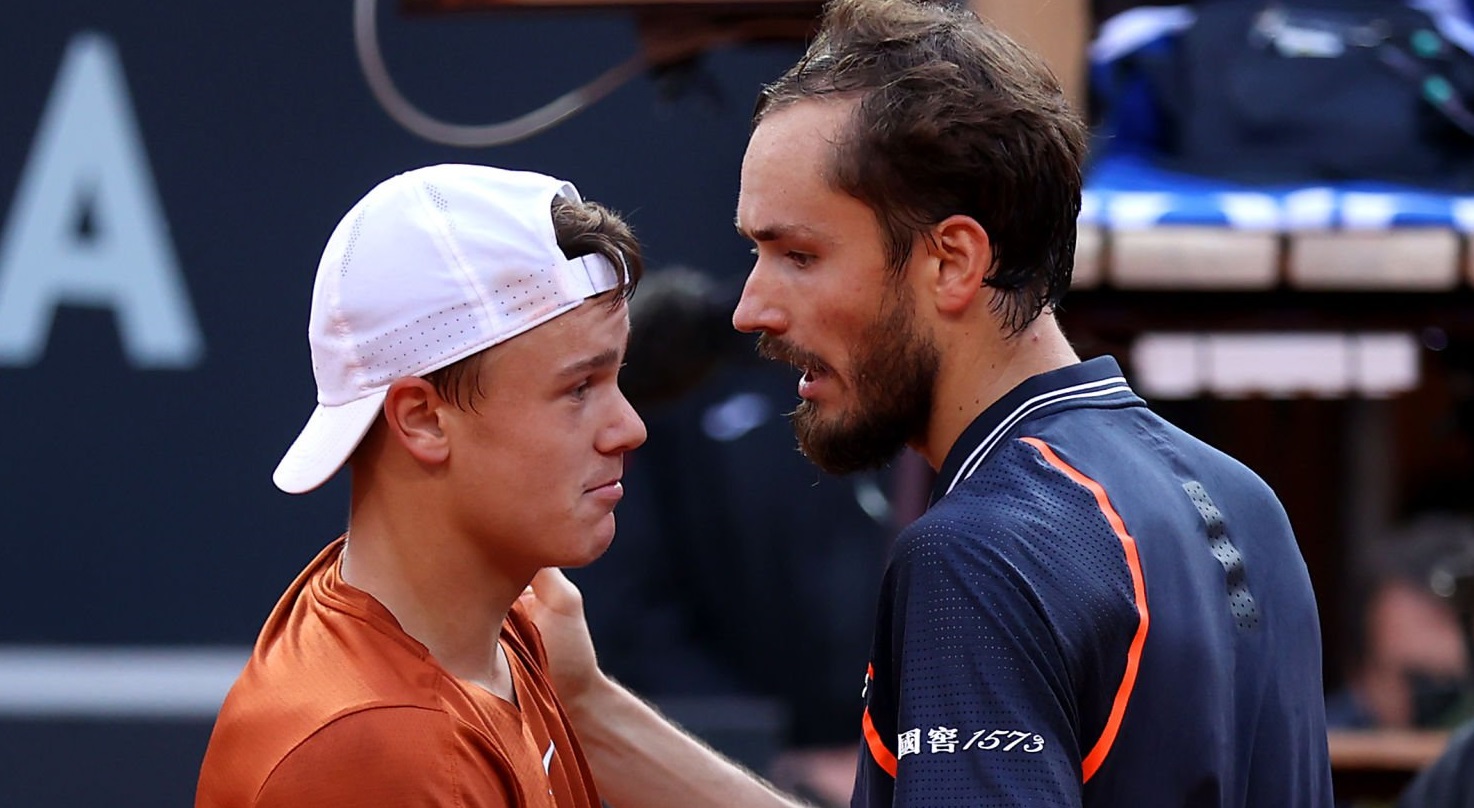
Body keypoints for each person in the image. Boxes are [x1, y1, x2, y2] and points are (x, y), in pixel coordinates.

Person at [521, 0, 1335, 805]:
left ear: (952, 261)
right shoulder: (1244, 499)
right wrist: (588, 707)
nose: (750, 309)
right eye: (755, 253)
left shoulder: (978, 553)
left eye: (799, 255)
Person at [196, 163, 646, 807]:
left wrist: (591, 702)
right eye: (578, 388)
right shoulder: (379, 751)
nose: (628, 429)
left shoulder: (492, 638)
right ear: (423, 419)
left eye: (615, 380)